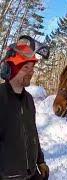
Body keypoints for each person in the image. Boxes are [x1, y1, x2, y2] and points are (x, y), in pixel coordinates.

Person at [0, 36, 50, 179]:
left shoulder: (28, 99)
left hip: (32, 173)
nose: (31, 71)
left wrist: (40, 161)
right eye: (25, 67)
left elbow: (32, 132)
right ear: (11, 70)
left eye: (32, 67)